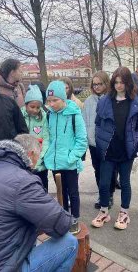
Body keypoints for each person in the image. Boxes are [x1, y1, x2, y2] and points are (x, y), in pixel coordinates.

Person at [0, 134, 78, 271]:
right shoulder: (23, 181)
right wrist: (67, 218)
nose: (36, 163)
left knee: (30, 234)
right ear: (31, 154)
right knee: (69, 242)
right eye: (38, 158)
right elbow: (60, 223)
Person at [92, 67, 138, 230]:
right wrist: (100, 141)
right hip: (108, 150)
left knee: (125, 182)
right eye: (116, 82)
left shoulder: (136, 103)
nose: (119, 86)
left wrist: (136, 141)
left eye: (122, 82)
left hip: (126, 150)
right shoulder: (104, 101)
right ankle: (104, 211)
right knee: (104, 183)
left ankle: (124, 213)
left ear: (128, 83)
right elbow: (98, 123)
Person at [44, 80, 87, 234]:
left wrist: (71, 157)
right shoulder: (49, 115)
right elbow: (48, 138)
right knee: (61, 192)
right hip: (55, 163)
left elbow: (82, 140)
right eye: (49, 101)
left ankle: (75, 218)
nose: (52, 104)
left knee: (73, 192)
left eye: (55, 100)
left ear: (63, 98)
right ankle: (64, 217)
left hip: (70, 163)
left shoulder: (74, 114)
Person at [82, 71, 116, 209]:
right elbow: (84, 120)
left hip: (108, 142)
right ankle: (102, 194)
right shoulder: (89, 101)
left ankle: (110, 193)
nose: (96, 87)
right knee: (98, 170)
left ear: (106, 83)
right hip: (93, 142)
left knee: (110, 170)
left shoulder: (111, 99)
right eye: (94, 84)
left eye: (99, 84)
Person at [21, 85, 50, 191]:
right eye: (32, 107)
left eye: (38, 107)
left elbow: (46, 138)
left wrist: (40, 158)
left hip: (40, 163)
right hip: (25, 162)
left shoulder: (44, 117)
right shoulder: (20, 116)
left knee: (42, 188)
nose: (35, 110)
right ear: (26, 104)